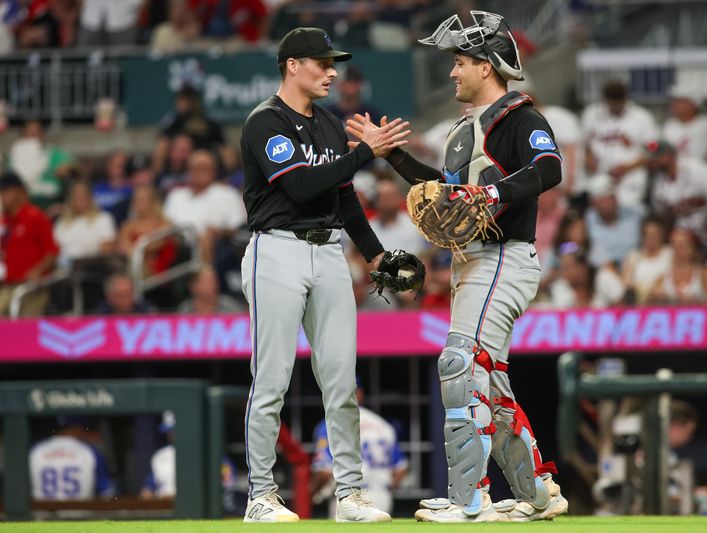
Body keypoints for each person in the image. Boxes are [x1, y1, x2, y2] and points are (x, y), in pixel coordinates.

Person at [347, 10, 567, 522]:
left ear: (487, 66)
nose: (452, 72)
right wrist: (392, 156)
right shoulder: (464, 128)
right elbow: (445, 192)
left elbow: (549, 168)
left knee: (459, 365)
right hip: (475, 262)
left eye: (460, 61)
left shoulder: (520, 117)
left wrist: (490, 191)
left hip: (503, 257)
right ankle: (539, 494)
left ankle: (470, 501)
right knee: (488, 382)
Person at [238, 26, 410, 523]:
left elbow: (342, 198)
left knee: (340, 382)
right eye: (321, 62)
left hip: (329, 251)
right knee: (270, 380)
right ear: (293, 65)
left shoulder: (331, 125)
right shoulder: (264, 122)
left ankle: (351, 494)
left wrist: (376, 256)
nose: (332, 70)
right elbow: (301, 186)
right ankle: (261, 496)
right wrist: (366, 152)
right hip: (277, 252)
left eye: (332, 62)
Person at [311, 379, 408, 517]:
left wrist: (312, 494)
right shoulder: (383, 425)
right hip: (382, 495)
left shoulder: (331, 423)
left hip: (348, 496)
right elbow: (401, 469)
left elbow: (323, 471)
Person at [581, 80, 658, 210]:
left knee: (628, 210)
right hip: (600, 173)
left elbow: (653, 149)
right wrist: (588, 156)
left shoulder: (642, 117)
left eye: (619, 101)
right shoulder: (591, 114)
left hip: (631, 176)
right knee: (600, 210)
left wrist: (628, 167)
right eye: (612, 102)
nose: (615, 106)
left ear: (625, 98)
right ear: (605, 99)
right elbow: (584, 142)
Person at [0, 172, 59, 317]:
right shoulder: (4, 221)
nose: (3, 196)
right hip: (7, 285)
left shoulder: (36, 217)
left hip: (31, 287)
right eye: (1, 192)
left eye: (7, 191)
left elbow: (52, 252)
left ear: (20, 192)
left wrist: (37, 271)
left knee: (26, 325)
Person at [29, 417, 114, 501]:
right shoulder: (90, 452)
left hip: (40, 513)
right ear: (78, 427)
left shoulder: (36, 451)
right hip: (80, 513)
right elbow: (107, 494)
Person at [53, 180, 116, 266]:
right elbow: (55, 249)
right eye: (76, 197)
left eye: (83, 196)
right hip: (64, 264)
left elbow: (106, 249)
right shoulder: (62, 222)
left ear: (90, 198)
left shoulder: (103, 218)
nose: (80, 200)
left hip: (91, 265)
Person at [177, 263, 244, 314]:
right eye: (207, 282)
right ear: (193, 286)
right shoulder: (185, 311)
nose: (213, 284)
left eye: (214, 280)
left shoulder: (230, 307)